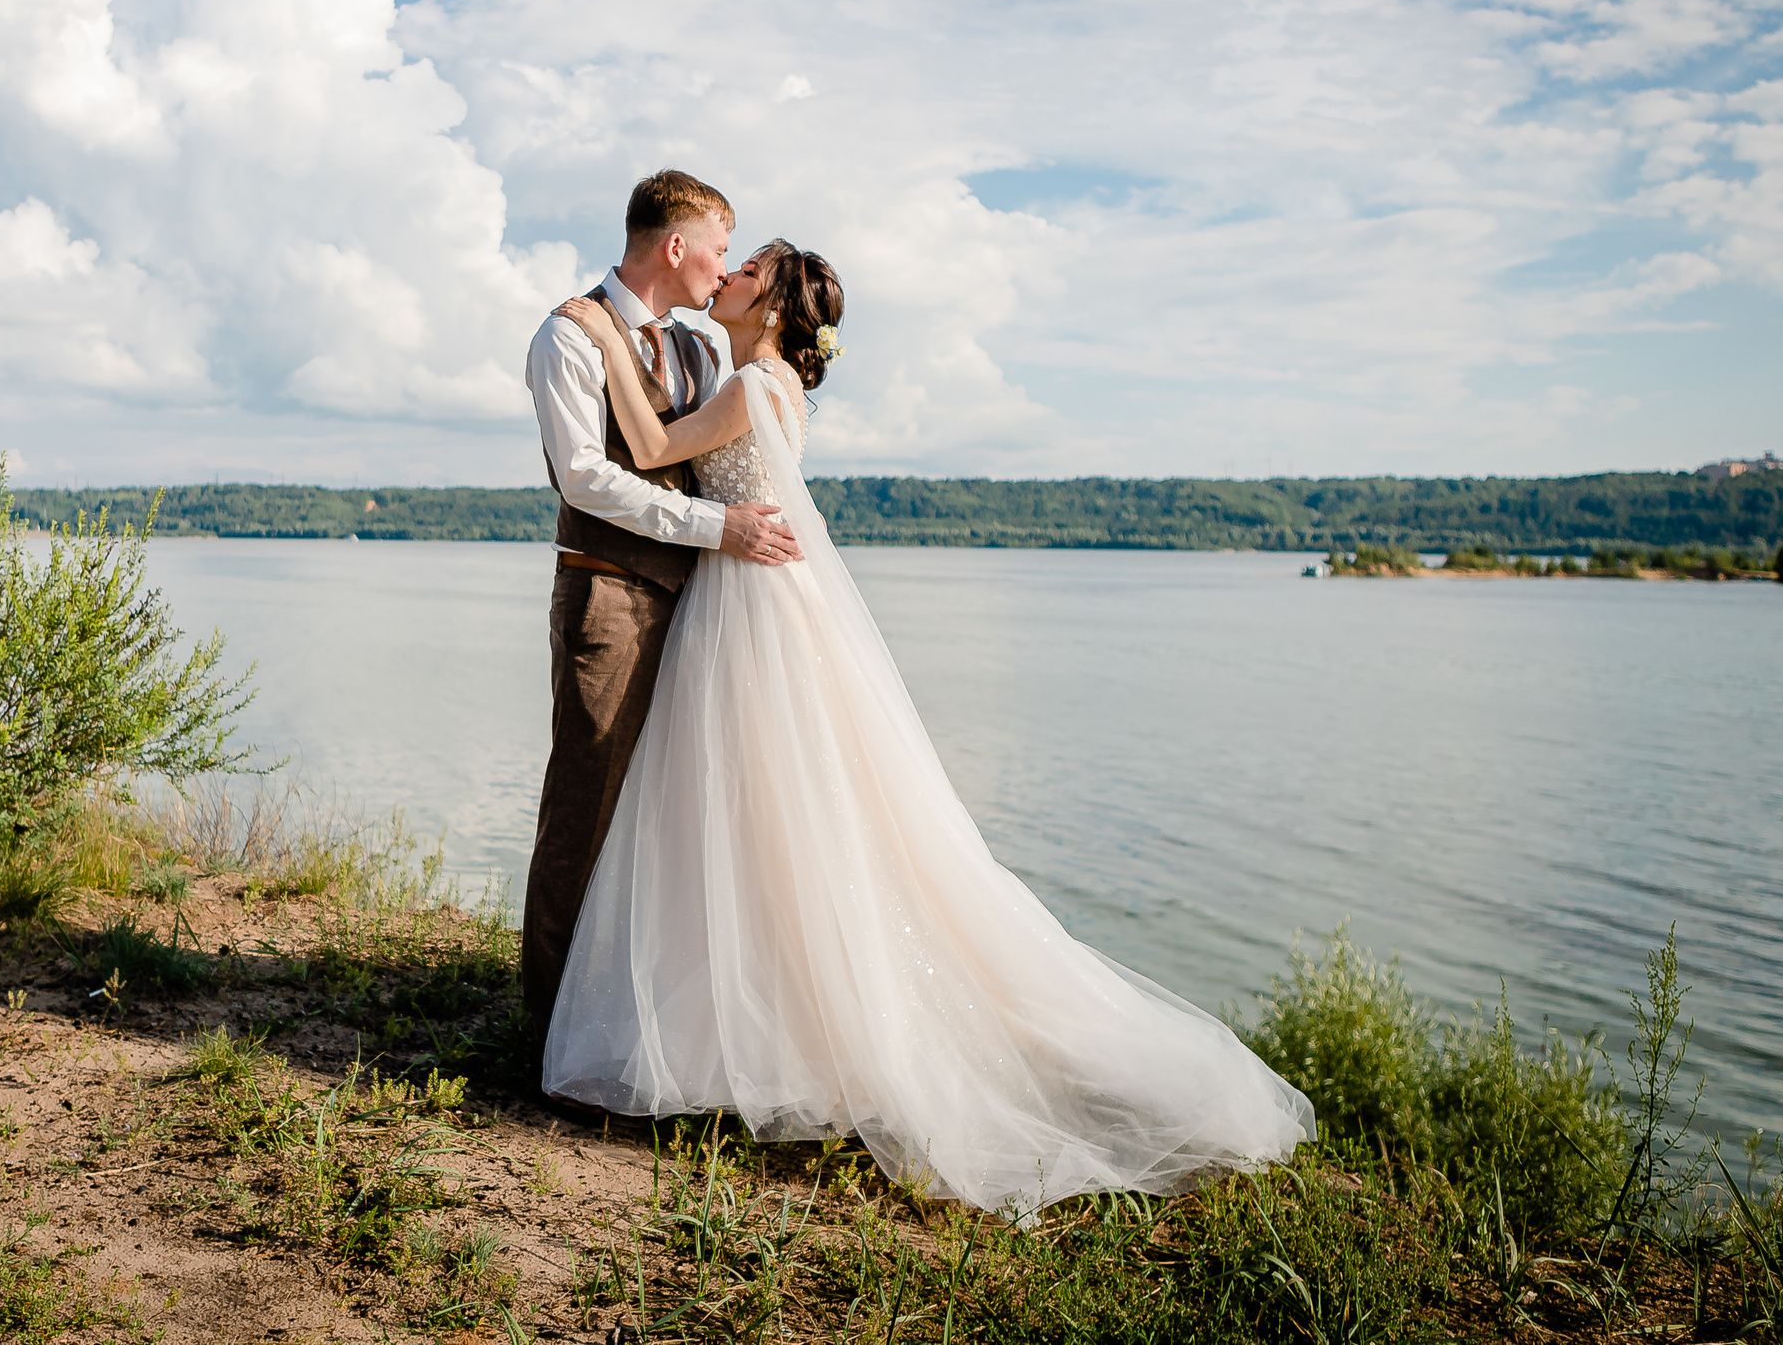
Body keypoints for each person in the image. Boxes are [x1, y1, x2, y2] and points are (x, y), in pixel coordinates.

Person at [539, 238, 1316, 1218]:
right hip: (747, 598)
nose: (728, 277)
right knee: (764, 820)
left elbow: (651, 451)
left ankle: (767, 1028)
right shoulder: (764, 382)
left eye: (748, 271)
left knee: (756, 813)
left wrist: (597, 332)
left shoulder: (752, 385)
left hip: (750, 609)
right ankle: (747, 1021)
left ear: (771, 306)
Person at [521, 170, 802, 1046]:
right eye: (721, 248)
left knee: (667, 814)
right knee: (587, 805)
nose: (723, 266)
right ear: (676, 246)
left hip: (700, 611)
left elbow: (694, 457)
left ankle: (627, 1013)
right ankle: (548, 1029)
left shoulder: (702, 354)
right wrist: (717, 528)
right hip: (608, 594)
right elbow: (586, 477)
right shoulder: (569, 335)